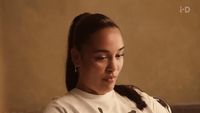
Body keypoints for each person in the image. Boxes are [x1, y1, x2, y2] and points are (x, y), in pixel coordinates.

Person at [43, 12, 171, 113]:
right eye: (102, 57)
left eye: (119, 55)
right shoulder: (62, 109)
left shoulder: (137, 97)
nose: (113, 67)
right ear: (76, 57)